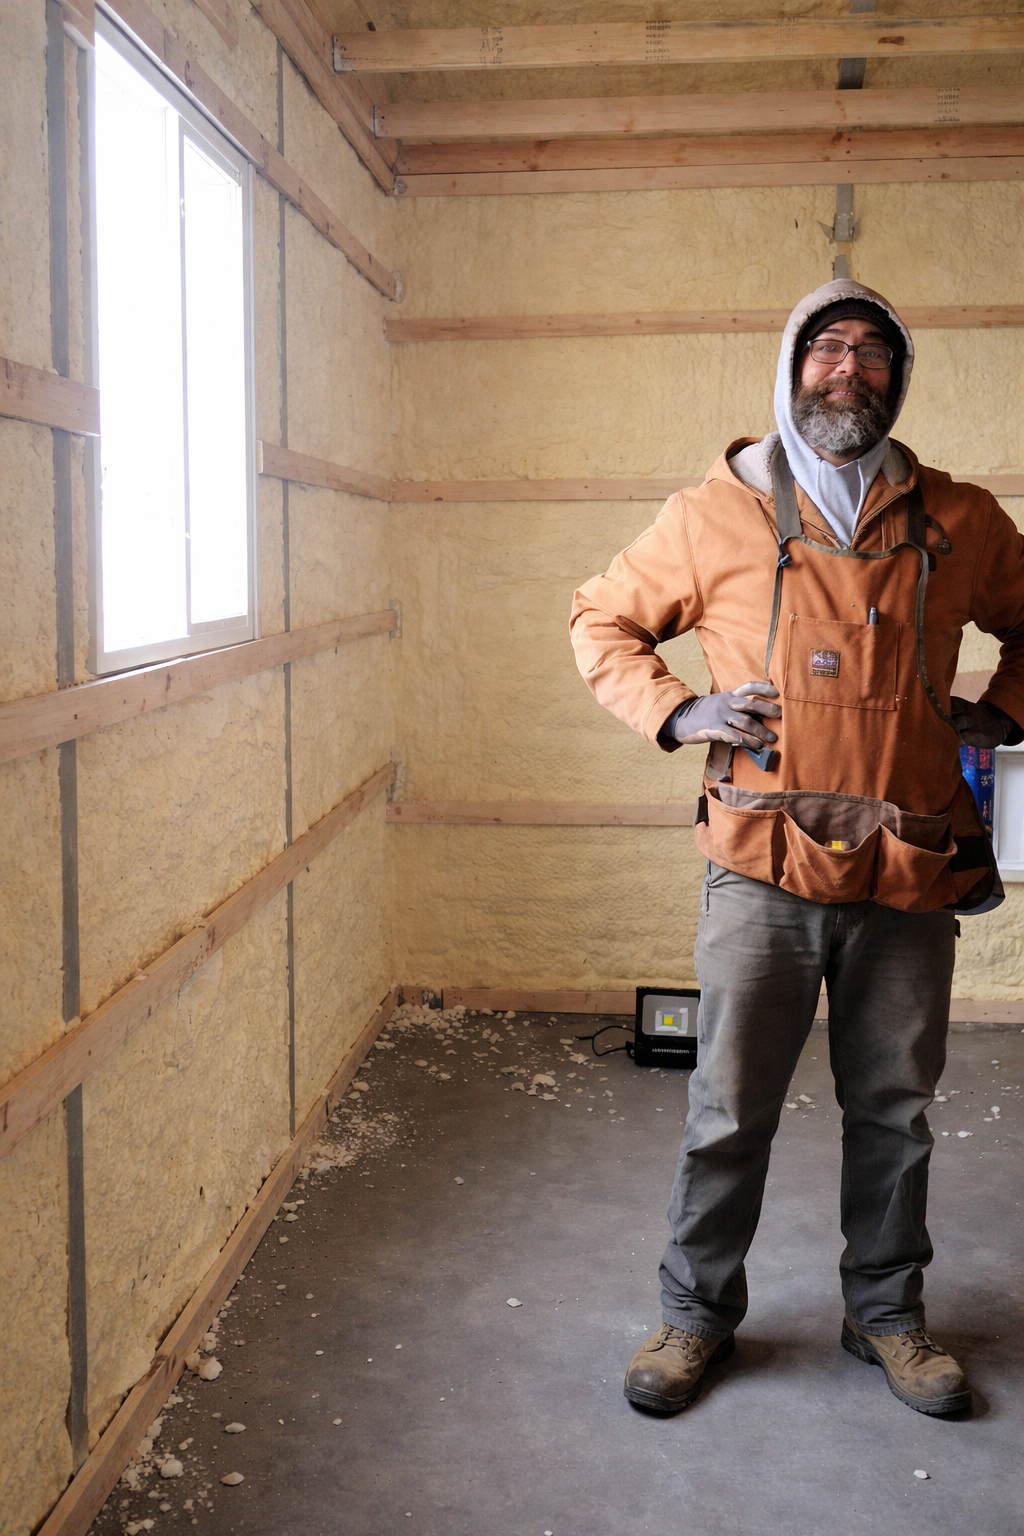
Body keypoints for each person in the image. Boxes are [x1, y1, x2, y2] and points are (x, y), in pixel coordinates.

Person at [569, 279, 1024, 1418]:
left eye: (873, 352)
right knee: (728, 1108)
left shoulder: (960, 518)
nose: (848, 369)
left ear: (896, 378)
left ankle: (887, 1316)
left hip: (909, 866)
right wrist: (680, 712)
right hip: (760, 868)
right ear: (791, 366)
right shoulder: (711, 515)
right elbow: (601, 619)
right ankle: (694, 1315)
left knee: (895, 1112)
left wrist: (1005, 709)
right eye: (827, 348)